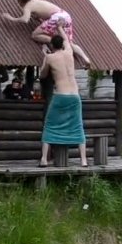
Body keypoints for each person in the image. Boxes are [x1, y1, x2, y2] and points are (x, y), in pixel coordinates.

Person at [36, 20, 88, 168]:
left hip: (60, 95)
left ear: (52, 46)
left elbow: (42, 75)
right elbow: (66, 40)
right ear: (63, 45)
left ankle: (44, 159)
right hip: (75, 96)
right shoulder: (69, 52)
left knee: (49, 125)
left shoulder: (50, 57)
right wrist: (59, 27)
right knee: (78, 126)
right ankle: (83, 160)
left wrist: (45, 55)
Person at [1, 0, 92, 68]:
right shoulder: (35, 1)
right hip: (65, 16)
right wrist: (39, 19)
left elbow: (25, 20)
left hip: (56, 17)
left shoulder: (28, 6)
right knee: (69, 43)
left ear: (20, 1)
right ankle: (86, 58)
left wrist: (11, 18)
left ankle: (57, 42)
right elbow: (46, 15)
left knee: (34, 35)